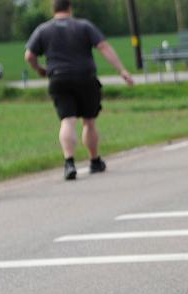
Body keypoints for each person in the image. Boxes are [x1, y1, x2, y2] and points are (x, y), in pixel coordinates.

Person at [24, 0, 133, 181]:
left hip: (58, 78)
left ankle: (69, 162)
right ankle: (94, 160)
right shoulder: (83, 26)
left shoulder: (43, 29)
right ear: (70, 8)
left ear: (54, 9)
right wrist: (121, 70)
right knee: (89, 121)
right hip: (85, 77)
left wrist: (39, 69)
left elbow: (29, 55)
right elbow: (103, 46)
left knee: (67, 120)